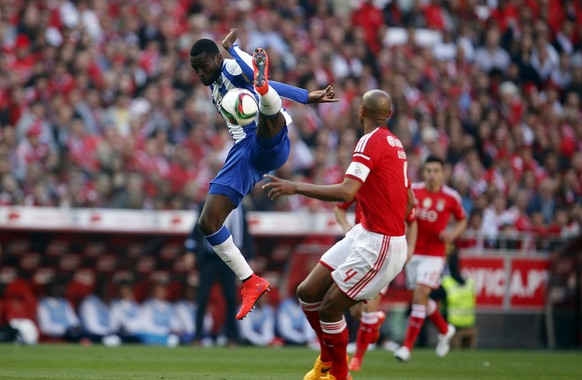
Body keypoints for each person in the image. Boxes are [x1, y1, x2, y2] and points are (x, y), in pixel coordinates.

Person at [263, 89, 414, 380]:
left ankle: (340, 376)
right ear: (389, 115)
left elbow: (346, 191)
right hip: (366, 232)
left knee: (331, 308)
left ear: (360, 112)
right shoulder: (396, 144)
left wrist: (296, 187)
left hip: (380, 241)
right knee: (307, 292)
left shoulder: (369, 141)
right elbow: (410, 201)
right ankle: (328, 359)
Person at [188, 28, 338, 320]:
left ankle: (263, 92)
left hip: (270, 141)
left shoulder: (231, 66)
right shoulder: (214, 87)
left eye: (203, 67)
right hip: (244, 153)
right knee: (207, 223)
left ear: (217, 59)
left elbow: (254, 72)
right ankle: (250, 281)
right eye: (195, 70)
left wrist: (306, 97)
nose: (199, 74)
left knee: (265, 108)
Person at [394, 156, 468, 363]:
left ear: (443, 173)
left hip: (435, 255)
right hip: (412, 253)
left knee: (419, 297)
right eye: (428, 170)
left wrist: (453, 234)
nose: (432, 174)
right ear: (423, 172)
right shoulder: (414, 191)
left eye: (436, 170)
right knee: (421, 299)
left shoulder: (451, 197)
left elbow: (463, 220)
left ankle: (406, 348)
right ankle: (445, 329)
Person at [334, 200, 417, 371]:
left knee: (370, 305)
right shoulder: (359, 183)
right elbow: (339, 207)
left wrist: (410, 249)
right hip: (359, 250)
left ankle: (357, 358)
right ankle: (375, 321)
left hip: (383, 251)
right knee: (356, 311)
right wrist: (346, 226)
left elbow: (411, 219)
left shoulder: (391, 190)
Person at [183, 204, 254, 346]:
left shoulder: (241, 208)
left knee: (231, 297)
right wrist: (190, 250)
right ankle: (198, 336)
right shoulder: (208, 202)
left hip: (232, 257)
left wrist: (251, 256)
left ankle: (231, 337)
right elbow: (197, 228)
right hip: (210, 256)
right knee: (202, 297)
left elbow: (245, 233)